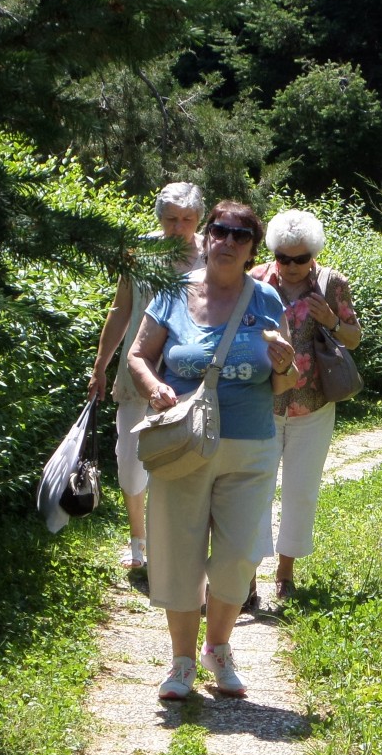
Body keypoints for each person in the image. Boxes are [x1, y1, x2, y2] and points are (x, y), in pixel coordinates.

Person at [125, 200, 299, 699]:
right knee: (178, 552)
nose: (227, 241)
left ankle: (218, 649)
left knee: (239, 554)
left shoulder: (267, 299)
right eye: (219, 230)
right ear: (207, 236)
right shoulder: (173, 292)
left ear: (251, 249)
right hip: (183, 442)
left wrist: (284, 364)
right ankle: (181, 661)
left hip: (250, 447)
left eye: (240, 236)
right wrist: (154, 386)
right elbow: (138, 355)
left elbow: (285, 383)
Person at [88, 181, 205, 569]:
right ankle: (138, 538)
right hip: (137, 372)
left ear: (199, 219)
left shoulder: (212, 254)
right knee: (130, 461)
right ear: (159, 218)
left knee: (183, 460)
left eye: (187, 219)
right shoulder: (139, 252)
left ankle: (172, 544)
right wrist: (100, 366)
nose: (178, 227)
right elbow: (120, 309)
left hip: (188, 375)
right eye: (171, 219)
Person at [250, 210, 362, 601]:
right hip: (261, 403)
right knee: (254, 489)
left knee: (301, 491)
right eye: (283, 257)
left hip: (313, 405)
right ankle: (247, 576)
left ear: (313, 254)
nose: (292, 266)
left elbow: (354, 338)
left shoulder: (332, 284)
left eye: (301, 258)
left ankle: (285, 574)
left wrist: (331, 320)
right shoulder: (255, 281)